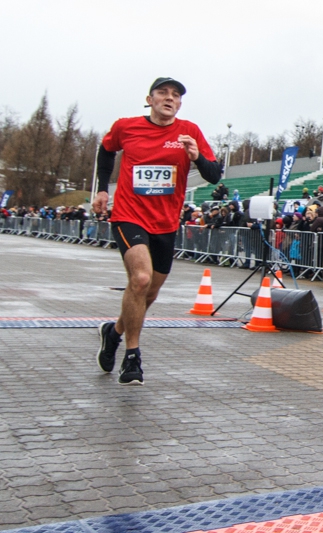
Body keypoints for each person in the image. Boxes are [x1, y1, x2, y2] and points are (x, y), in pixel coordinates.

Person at [92, 77, 220, 385]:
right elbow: (106, 150)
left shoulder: (190, 132)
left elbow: (214, 175)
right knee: (141, 278)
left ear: (179, 104)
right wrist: (101, 190)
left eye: (175, 95)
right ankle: (132, 356)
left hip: (165, 223)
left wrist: (196, 157)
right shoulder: (126, 127)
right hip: (129, 215)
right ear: (149, 99)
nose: (169, 98)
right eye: (163, 92)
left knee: (148, 293)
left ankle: (115, 332)